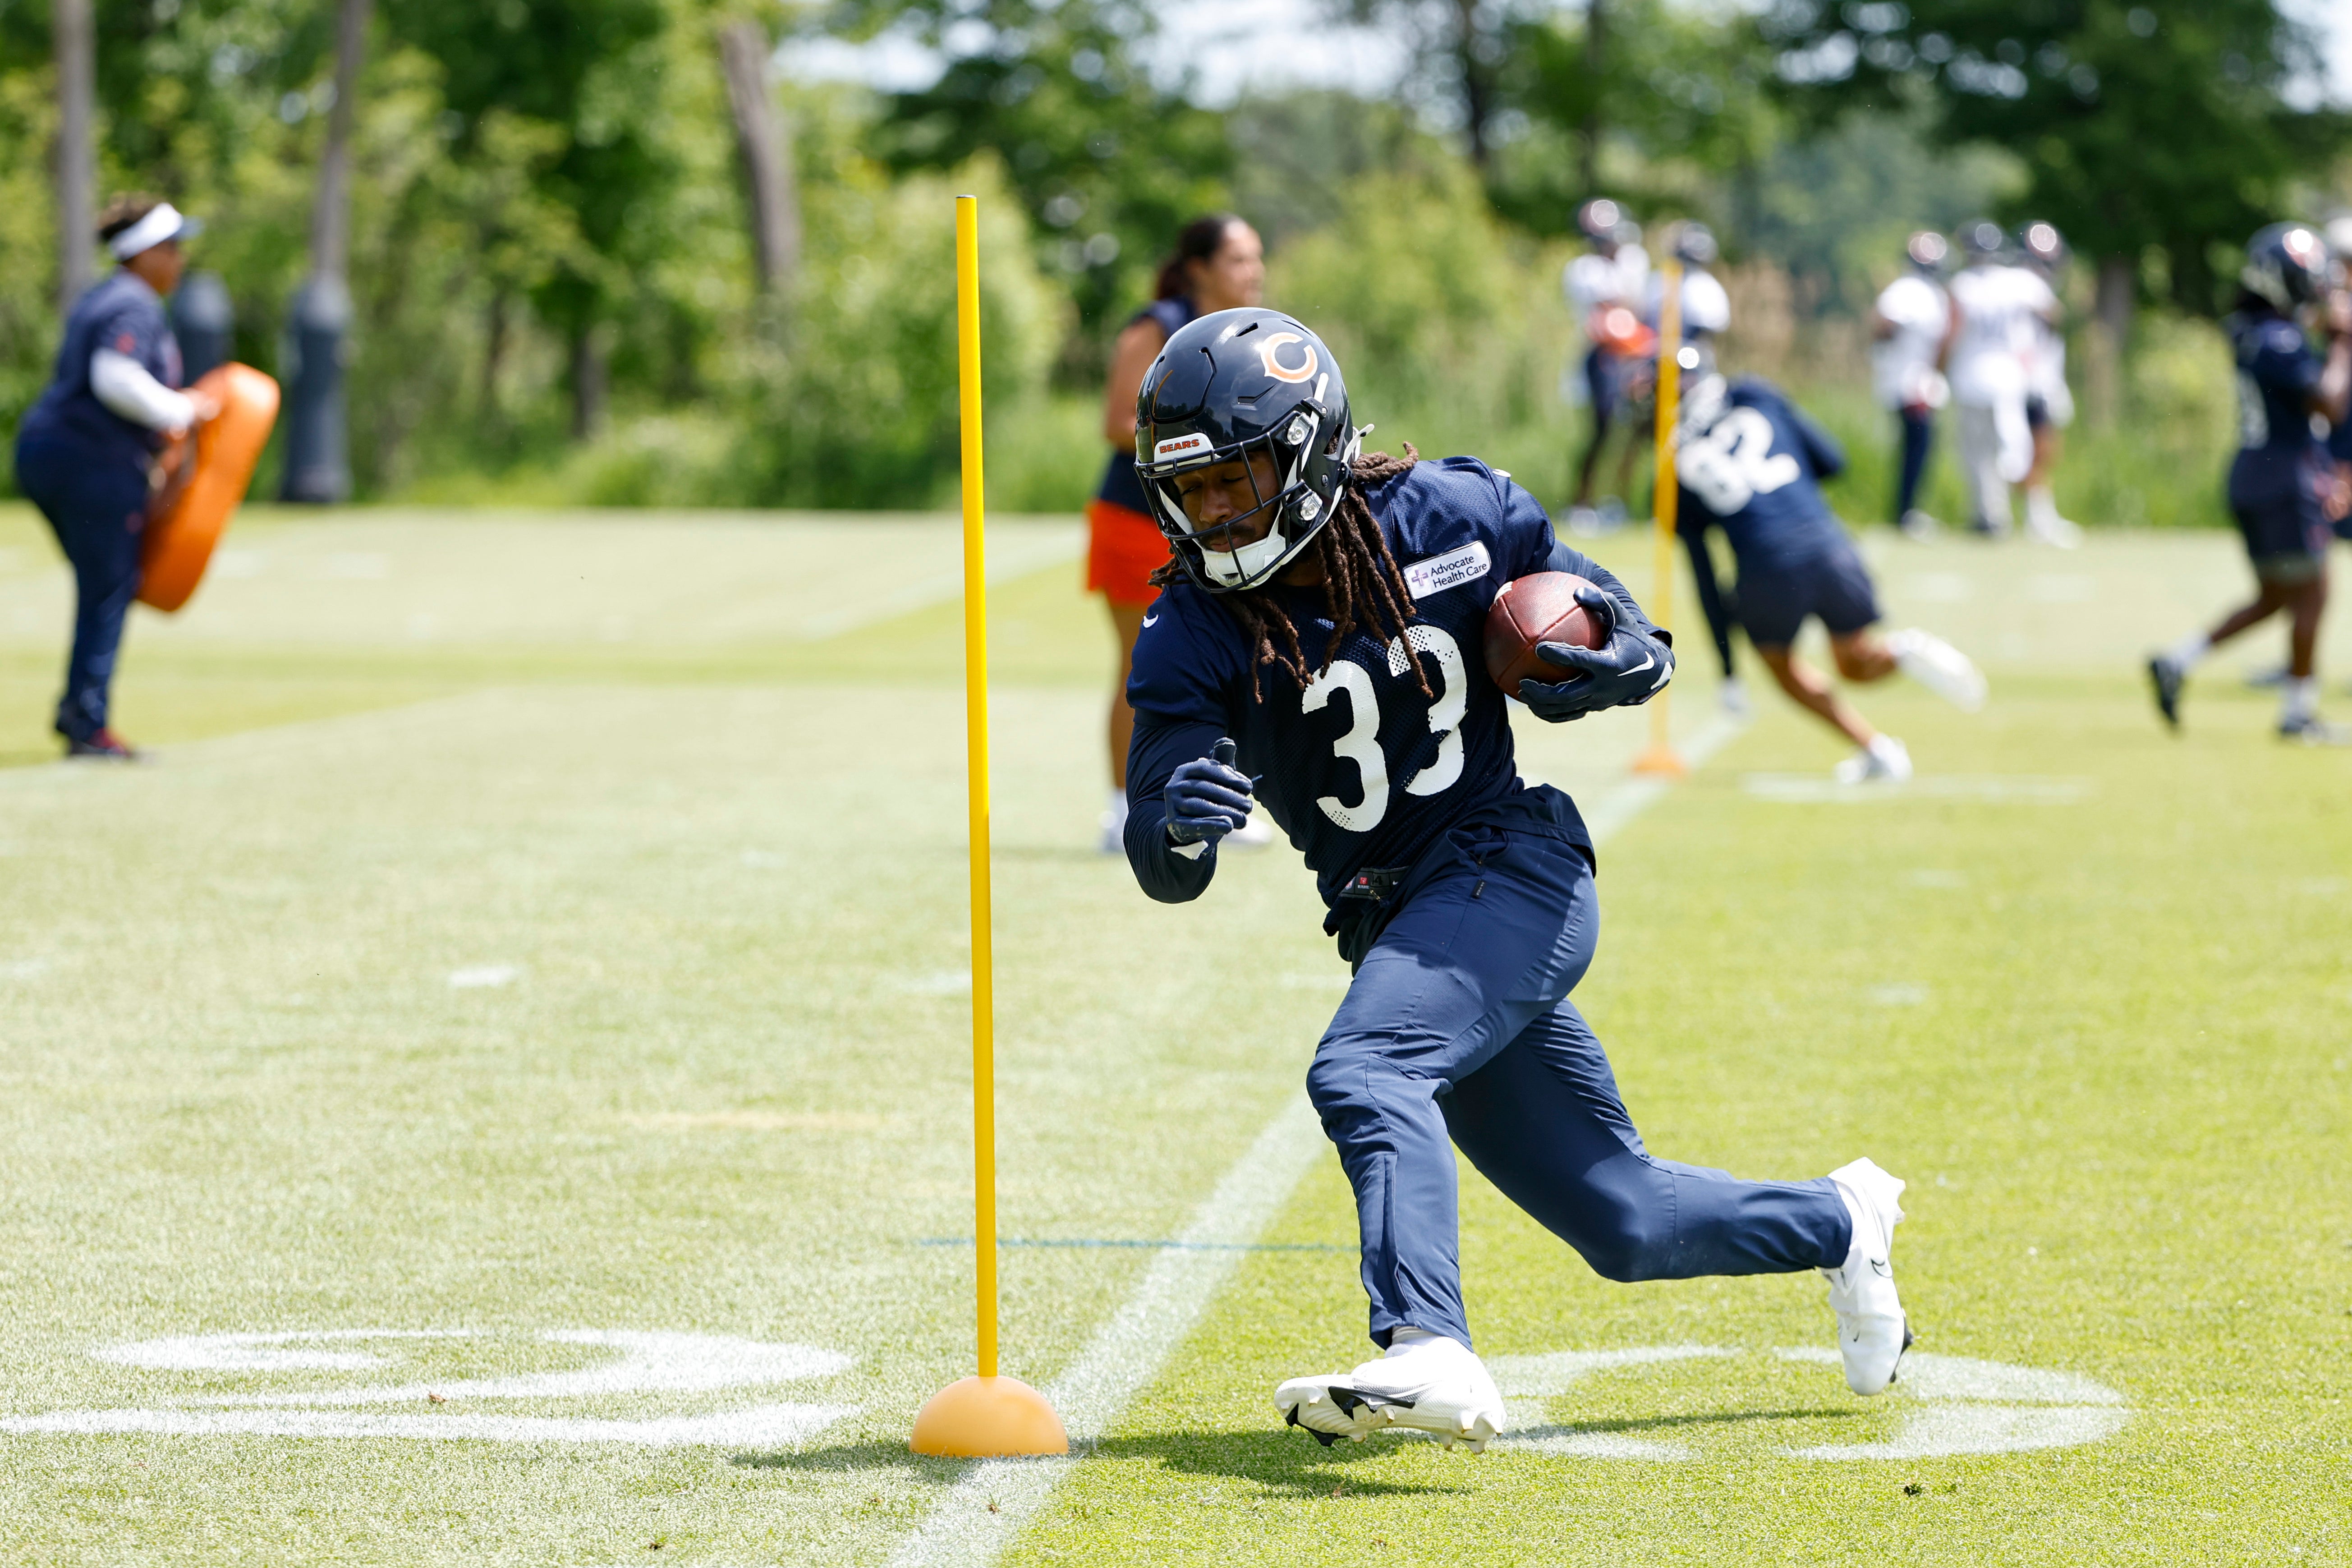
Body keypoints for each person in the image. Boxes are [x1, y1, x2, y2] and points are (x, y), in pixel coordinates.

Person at [1120, 307, 1914, 1451]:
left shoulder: (1453, 512)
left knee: (1367, 1066)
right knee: (1625, 1219)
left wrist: (1611, 664)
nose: (1213, 514)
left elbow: (1628, 628)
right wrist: (1176, 824)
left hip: (1510, 864)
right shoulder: (1188, 628)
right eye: (1189, 490)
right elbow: (1161, 860)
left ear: (1309, 451)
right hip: (1395, 916)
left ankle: (1426, 1344)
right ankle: (1839, 1219)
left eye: (1233, 481)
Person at [1672, 346, 1986, 783]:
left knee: (1783, 667)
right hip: (1828, 541)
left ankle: (1876, 749)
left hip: (1765, 563)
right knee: (1855, 661)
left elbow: (1706, 578)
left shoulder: (1675, 466)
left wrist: (1727, 671)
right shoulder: (1755, 396)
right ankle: (1902, 652)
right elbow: (1833, 460)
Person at [1089, 214, 1272, 852]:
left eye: (1256, 258)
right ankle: (1124, 811)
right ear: (1199, 268)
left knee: (1229, 662)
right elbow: (1118, 421)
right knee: (1142, 667)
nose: (1254, 271)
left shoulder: (1245, 333)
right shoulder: (1159, 325)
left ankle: (1220, 803)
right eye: (1238, 259)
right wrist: (1202, 439)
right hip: (1135, 518)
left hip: (1208, 523)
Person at [12, 193, 215, 760]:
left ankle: (81, 713)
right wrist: (181, 409)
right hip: (89, 460)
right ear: (143, 253)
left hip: (50, 452)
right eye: (170, 247)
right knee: (108, 585)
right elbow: (115, 376)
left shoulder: (105, 295)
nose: (179, 259)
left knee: (103, 582)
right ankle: (87, 722)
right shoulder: (132, 303)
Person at [2149, 223, 2352, 741]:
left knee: (2275, 596)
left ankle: (2177, 660)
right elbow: (2328, 405)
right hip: (2283, 481)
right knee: (2313, 594)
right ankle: (2297, 714)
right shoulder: (2278, 340)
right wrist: (2341, 343)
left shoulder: (2252, 330)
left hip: (2258, 474)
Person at [1943, 220, 2058, 541]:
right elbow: (2052, 316)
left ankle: (1991, 515)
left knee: (1978, 452)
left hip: (1971, 376)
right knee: (2011, 449)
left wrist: (1938, 368)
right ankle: (2017, 512)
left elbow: (1952, 332)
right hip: (2010, 376)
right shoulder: (2017, 282)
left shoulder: (1963, 285)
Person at [1562, 199, 1650, 531]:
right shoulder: (1584, 269)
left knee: (1635, 432)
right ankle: (1582, 502)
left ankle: (1620, 501)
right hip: (1604, 357)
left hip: (1633, 356)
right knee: (1602, 430)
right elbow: (1611, 315)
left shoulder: (1632, 262)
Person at [1871, 231, 1951, 539]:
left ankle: (1907, 510)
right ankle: (1905, 512)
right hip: (1909, 382)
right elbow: (1884, 327)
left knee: (1919, 449)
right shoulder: (1907, 291)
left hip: (1918, 380)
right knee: (1916, 449)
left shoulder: (1930, 293)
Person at [2015, 221, 2081, 547]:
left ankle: (2036, 514)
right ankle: (2037, 517)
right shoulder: (2028, 289)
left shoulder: (2020, 287)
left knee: (2040, 452)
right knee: (2037, 452)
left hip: (2035, 381)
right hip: (2032, 383)